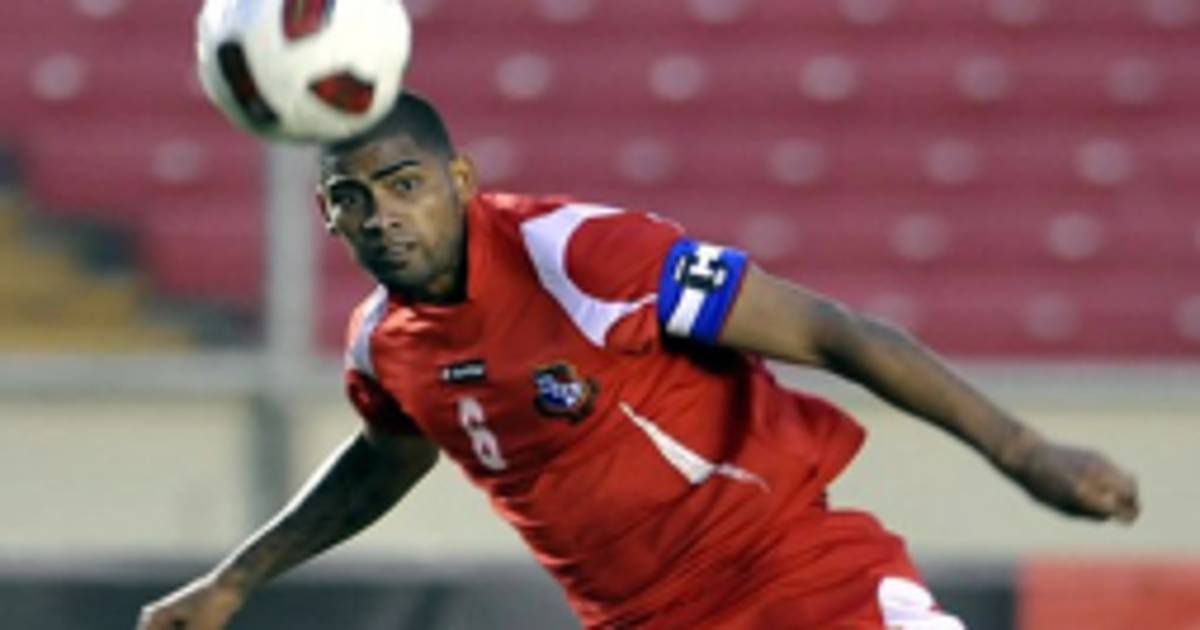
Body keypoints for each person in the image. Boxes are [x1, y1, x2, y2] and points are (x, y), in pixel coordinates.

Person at [138, 93, 1139, 630]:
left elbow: (832, 331)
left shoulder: (579, 254)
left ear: (459, 178)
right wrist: (234, 581)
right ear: (326, 219)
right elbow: (387, 455)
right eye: (351, 200)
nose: (381, 215)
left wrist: (1024, 452)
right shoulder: (381, 345)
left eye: (404, 184)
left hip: (793, 587)